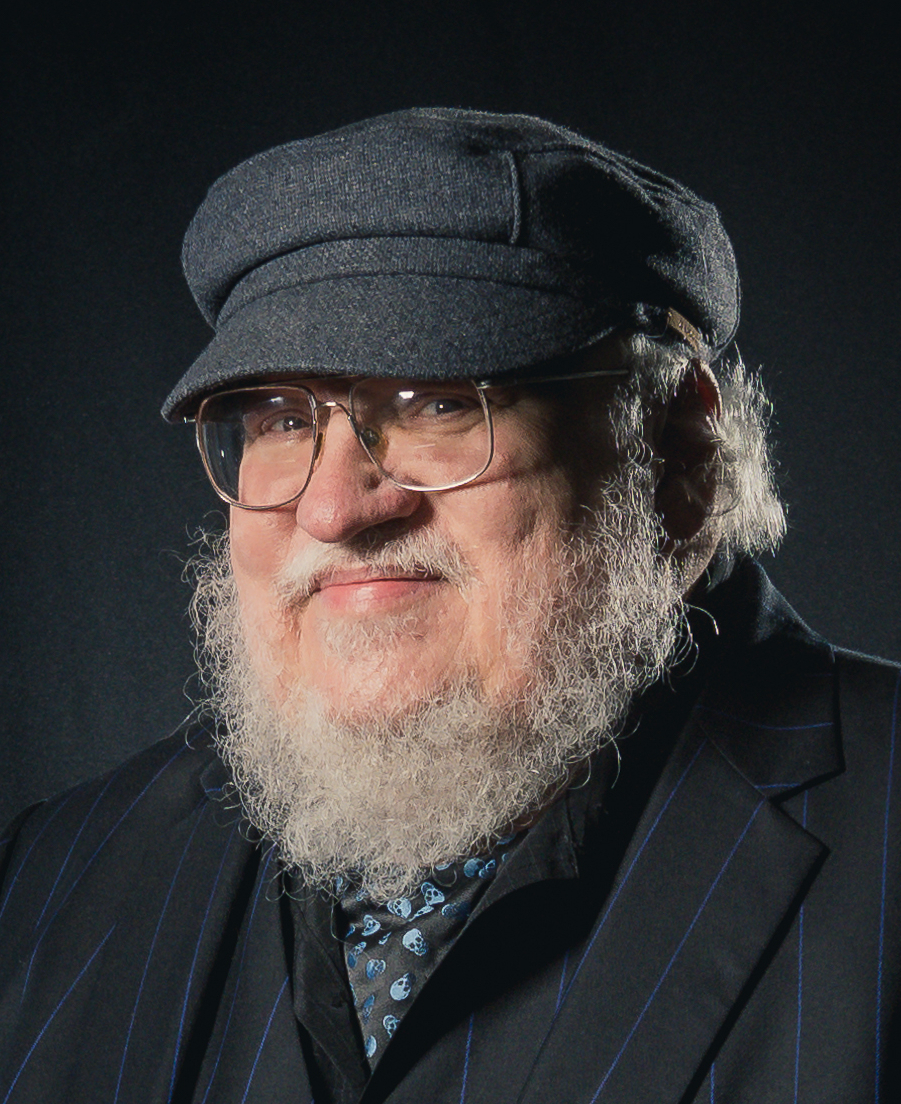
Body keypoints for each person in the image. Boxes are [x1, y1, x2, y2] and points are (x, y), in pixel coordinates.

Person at [0, 108, 897, 1104]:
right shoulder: (51, 881)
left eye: (438, 403)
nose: (333, 508)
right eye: (281, 419)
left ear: (676, 453)